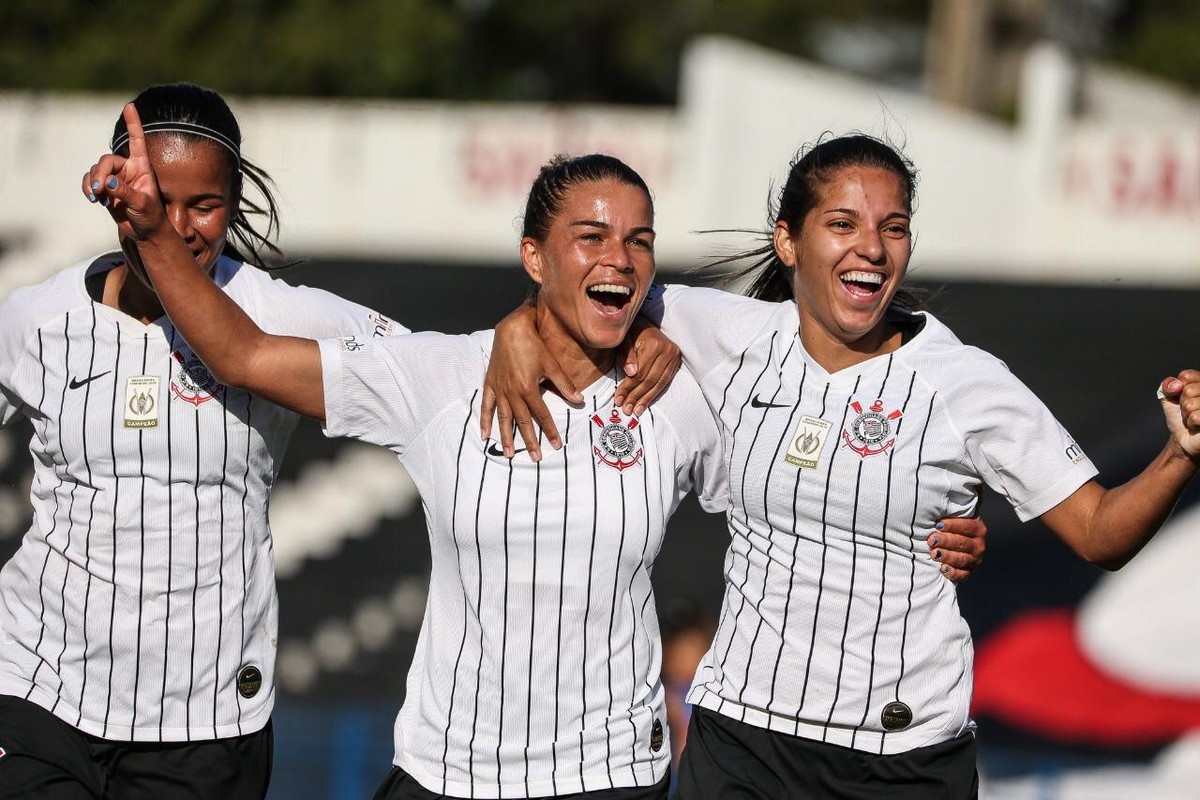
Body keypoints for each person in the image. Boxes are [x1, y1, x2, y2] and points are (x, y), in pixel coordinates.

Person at [481, 133, 1200, 797]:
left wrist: (1179, 453)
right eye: (843, 224)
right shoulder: (728, 333)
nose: (873, 249)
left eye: (893, 228)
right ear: (788, 242)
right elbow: (592, 293)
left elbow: (1101, 532)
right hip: (741, 741)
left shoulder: (966, 384)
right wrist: (517, 328)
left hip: (900, 757)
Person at [0, 83, 410, 799]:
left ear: (235, 204)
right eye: (158, 197)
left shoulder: (281, 315)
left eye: (204, 205)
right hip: (38, 692)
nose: (178, 225)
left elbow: (433, 376)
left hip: (205, 719)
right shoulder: (35, 318)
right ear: (113, 187)